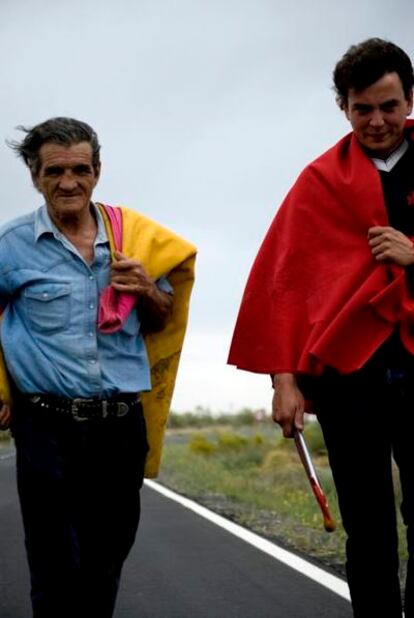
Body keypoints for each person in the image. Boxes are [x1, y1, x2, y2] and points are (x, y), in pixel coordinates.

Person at [228, 38, 414, 617]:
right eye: (363, 109)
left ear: (410, 98)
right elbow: (284, 287)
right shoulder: (318, 183)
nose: (378, 121)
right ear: (344, 108)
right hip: (346, 379)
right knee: (369, 525)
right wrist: (283, 380)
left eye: (390, 105)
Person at [0, 117, 196, 618]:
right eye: (55, 171)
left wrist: (146, 289)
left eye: (80, 170)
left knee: (104, 564)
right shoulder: (11, 244)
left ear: (98, 171)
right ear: (33, 173)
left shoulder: (136, 239)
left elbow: (162, 319)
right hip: (44, 423)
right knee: (53, 566)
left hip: (119, 428)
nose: (69, 182)